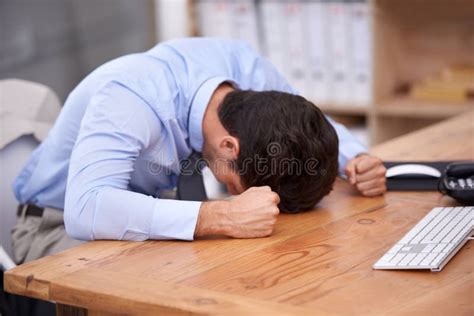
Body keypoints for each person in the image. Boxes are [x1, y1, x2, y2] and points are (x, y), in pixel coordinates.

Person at [11, 38, 386, 263]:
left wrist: (353, 157)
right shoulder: (131, 95)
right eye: (241, 187)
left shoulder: (242, 68)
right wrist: (220, 216)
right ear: (228, 145)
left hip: (148, 214)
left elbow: (301, 121)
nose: (244, 195)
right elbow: (86, 209)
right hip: (57, 227)